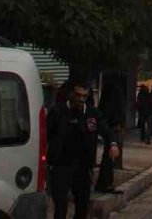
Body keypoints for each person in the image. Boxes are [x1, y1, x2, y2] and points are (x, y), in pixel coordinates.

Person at [47, 79, 121, 219]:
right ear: (71, 94)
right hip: (61, 165)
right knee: (60, 206)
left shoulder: (92, 113)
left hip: (83, 166)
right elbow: (46, 135)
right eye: (78, 95)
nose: (80, 99)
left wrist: (113, 144)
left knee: (82, 206)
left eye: (84, 96)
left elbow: (106, 130)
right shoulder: (58, 111)